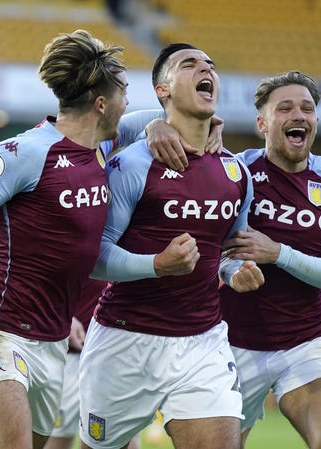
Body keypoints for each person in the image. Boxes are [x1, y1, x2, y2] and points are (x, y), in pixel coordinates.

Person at [0, 29, 138, 449]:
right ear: (101, 103)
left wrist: (176, 128)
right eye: (124, 93)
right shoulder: (24, 152)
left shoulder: (102, 147)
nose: (128, 103)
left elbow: (152, 121)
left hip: (54, 343)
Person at [146, 70, 321, 449]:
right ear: (263, 122)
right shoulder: (236, 171)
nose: (299, 116)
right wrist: (153, 126)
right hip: (229, 343)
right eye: (286, 108)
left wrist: (278, 253)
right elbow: (215, 251)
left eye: (307, 109)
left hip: (303, 342)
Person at [78, 43, 264, 449]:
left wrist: (236, 273)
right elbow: (93, 258)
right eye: (190, 64)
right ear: (162, 91)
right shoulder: (130, 165)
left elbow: (228, 253)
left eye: (211, 65)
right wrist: (157, 264)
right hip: (124, 340)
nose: (206, 69)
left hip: (202, 340)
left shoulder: (236, 173)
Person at [48, 278, 141, 449]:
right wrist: (58, 315)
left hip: (116, 354)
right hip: (68, 355)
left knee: (124, 438)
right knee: (56, 440)